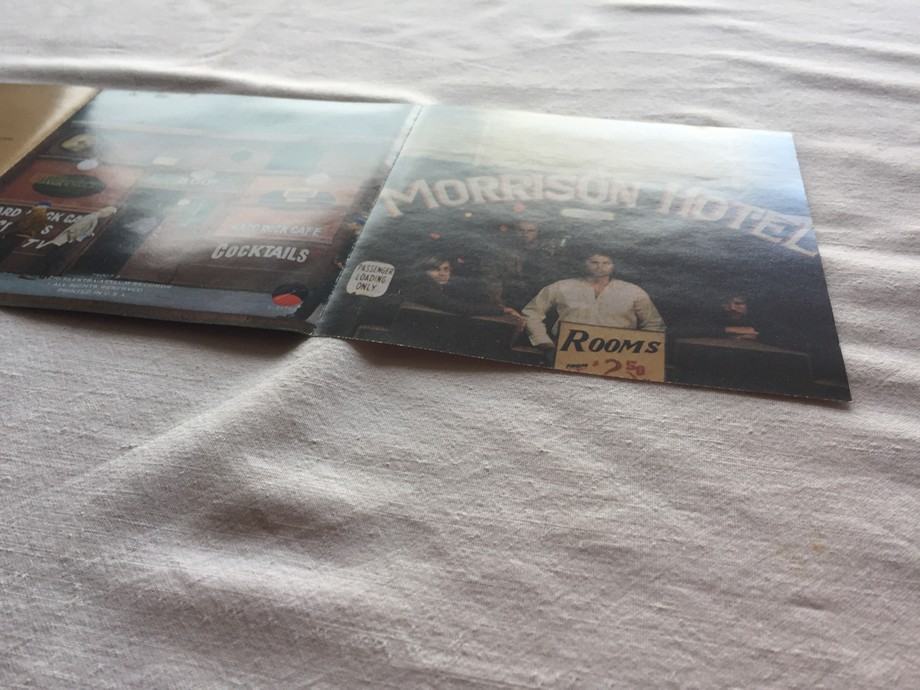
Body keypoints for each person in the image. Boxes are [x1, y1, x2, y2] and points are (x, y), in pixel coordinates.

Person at [522, 250, 665, 350]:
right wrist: (544, 342)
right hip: (567, 349)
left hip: (618, 352)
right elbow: (531, 313)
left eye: (606, 263)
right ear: (585, 263)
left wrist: (641, 350)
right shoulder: (562, 286)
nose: (600, 267)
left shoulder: (633, 291)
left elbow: (654, 324)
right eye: (594, 262)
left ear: (614, 266)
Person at [403, 255, 524, 322]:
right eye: (435, 269)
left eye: (446, 269)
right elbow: (459, 307)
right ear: (424, 271)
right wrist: (502, 310)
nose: (442, 273)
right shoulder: (423, 286)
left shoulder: (437, 287)